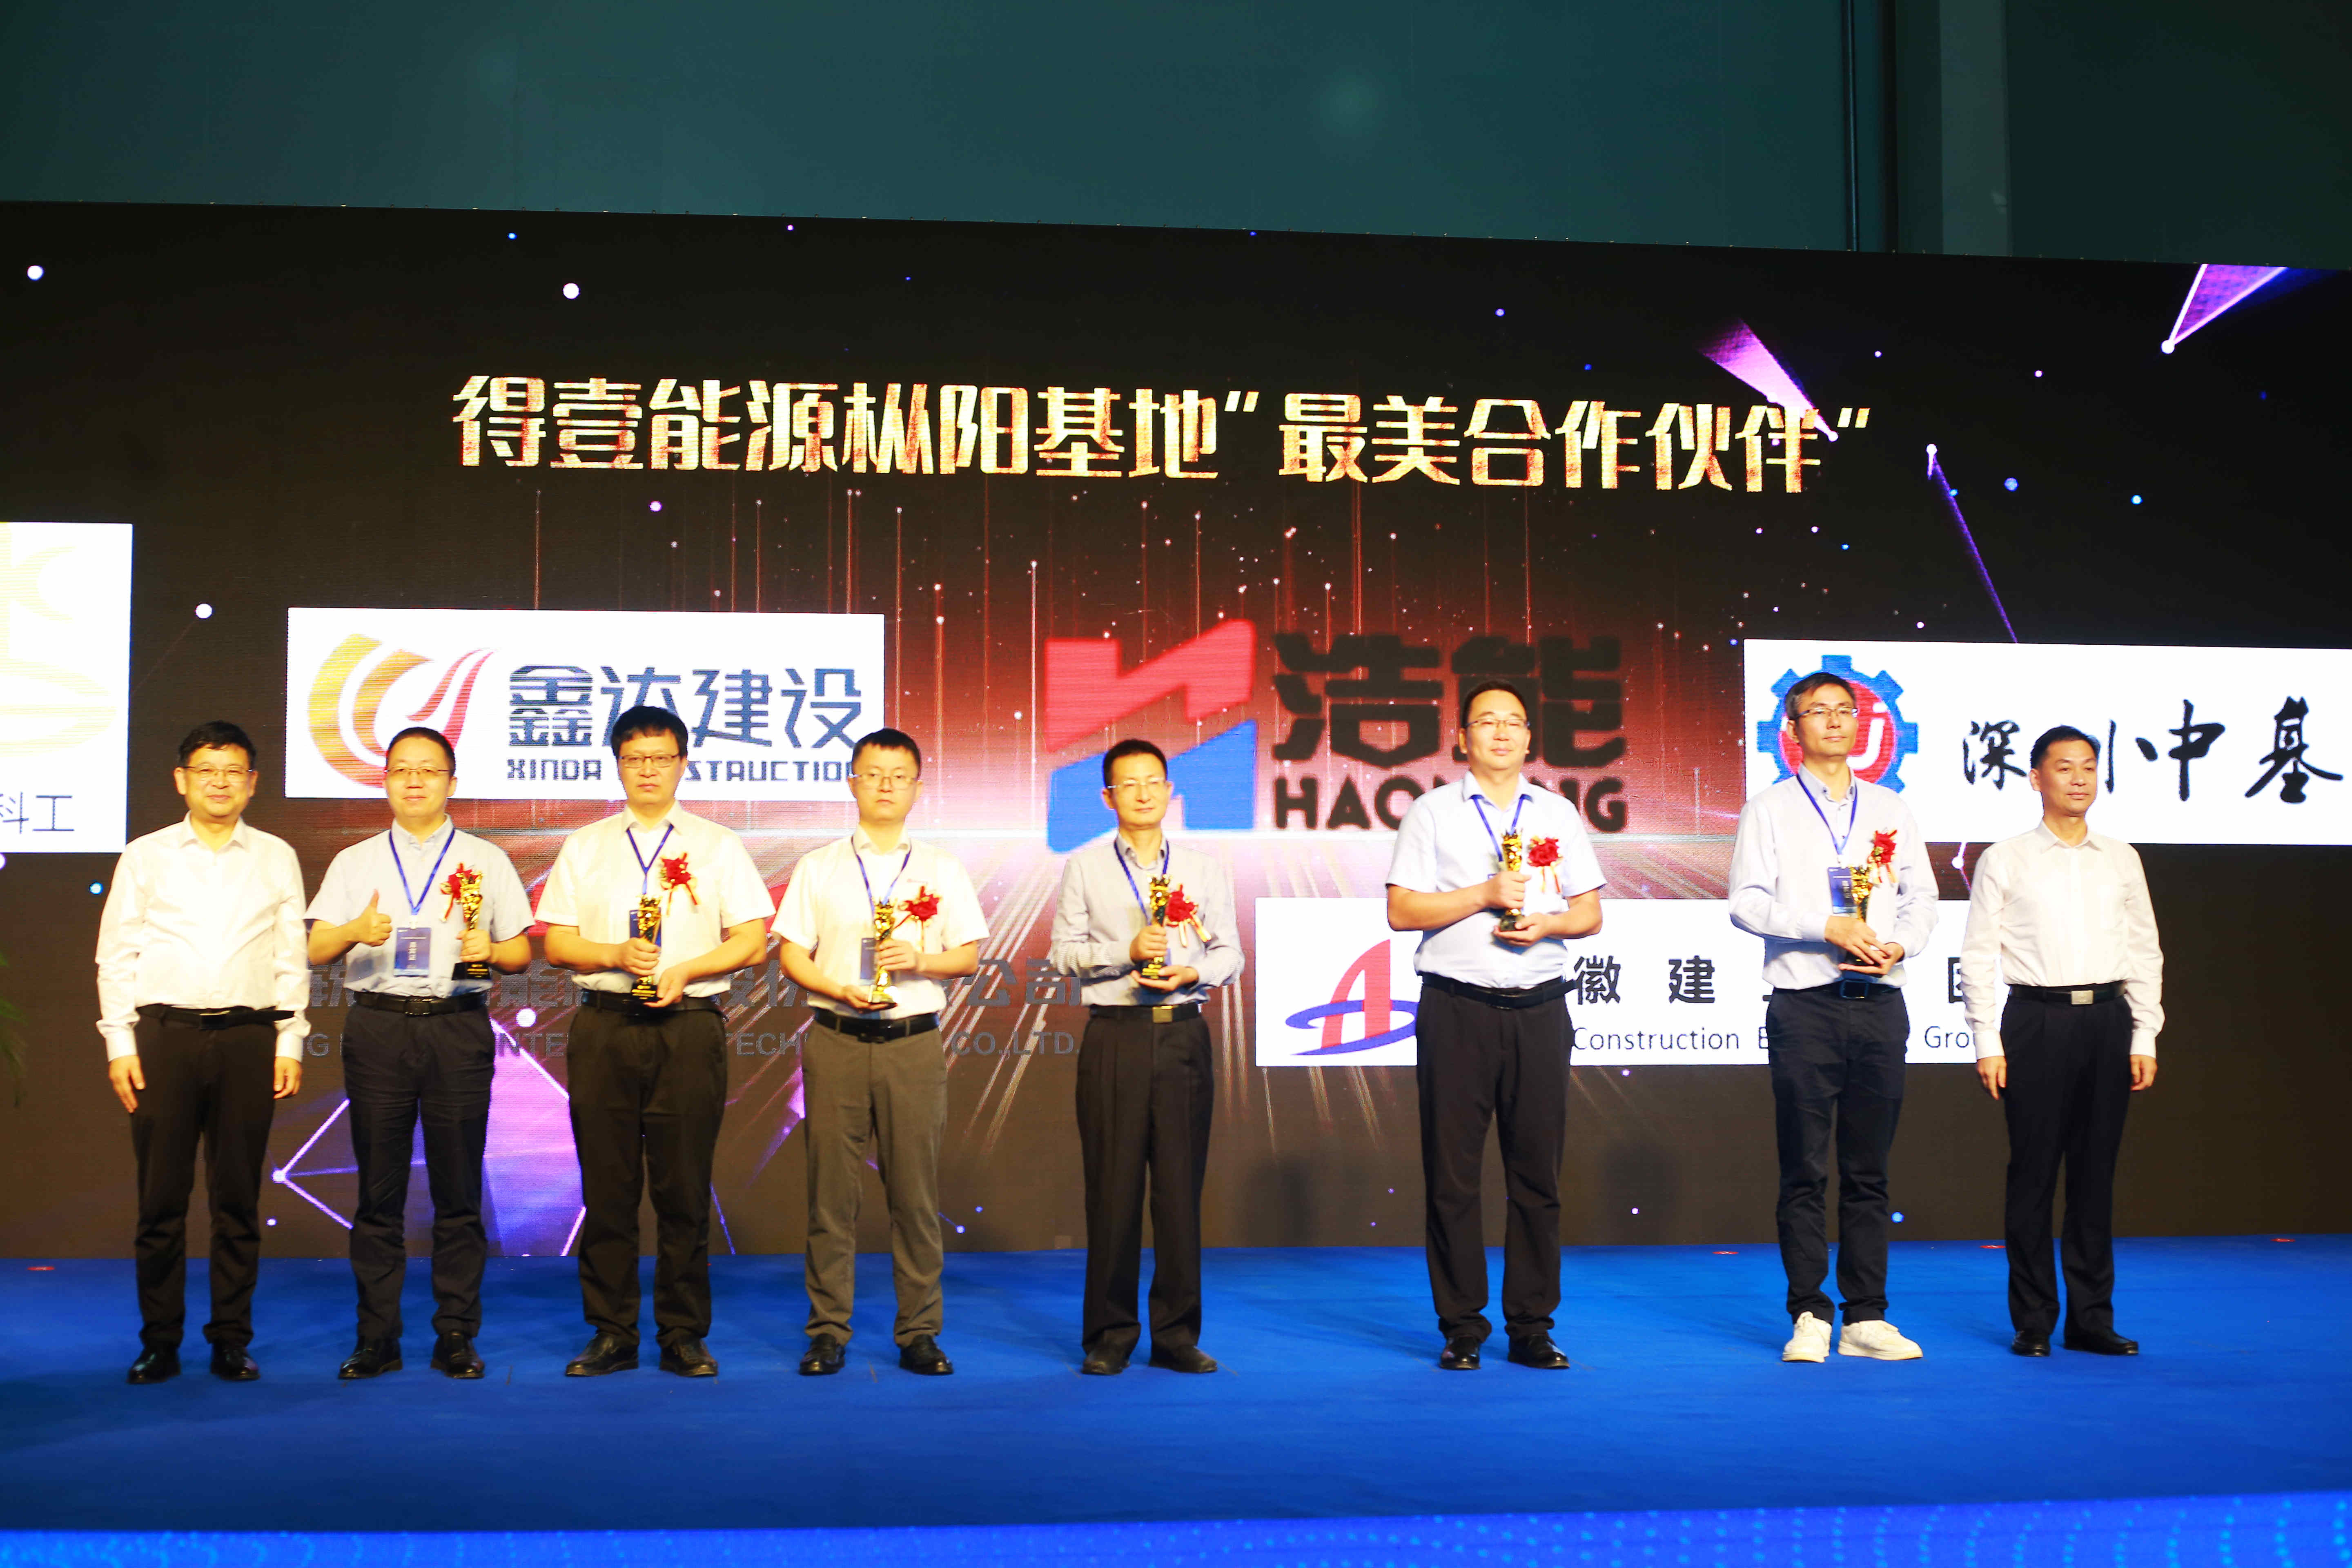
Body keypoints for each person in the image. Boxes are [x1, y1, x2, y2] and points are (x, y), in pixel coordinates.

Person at [536, 706, 774, 1378]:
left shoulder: (717, 845)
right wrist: (614, 953)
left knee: (684, 1188)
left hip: (687, 1027)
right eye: (635, 759)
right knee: (607, 1188)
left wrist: (686, 969)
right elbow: (557, 943)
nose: (648, 770)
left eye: (661, 758)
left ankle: (683, 1333)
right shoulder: (586, 845)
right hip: (605, 1026)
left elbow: (752, 940)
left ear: (682, 764)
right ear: (618, 766)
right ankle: (612, 1331)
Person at [1385, 679, 1604, 1371]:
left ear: (1530, 737)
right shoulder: (1431, 813)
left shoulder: (1558, 813)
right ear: (1462, 739)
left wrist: (1548, 924)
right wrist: (1484, 894)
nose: (1502, 733)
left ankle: (1532, 1326)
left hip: (1539, 1008)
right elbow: (1402, 911)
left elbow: (1590, 913)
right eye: (1487, 722)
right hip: (1458, 1010)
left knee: (1537, 1177)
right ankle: (1462, 1327)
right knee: (1453, 1178)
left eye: (1514, 722)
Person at [305, 725, 533, 1380]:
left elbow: (521, 952)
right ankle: (377, 1337)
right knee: (378, 1192)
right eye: (402, 769)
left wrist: (491, 949)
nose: (414, 780)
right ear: (385, 783)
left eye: (428, 770)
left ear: (451, 783)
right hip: (380, 1028)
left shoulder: (486, 859)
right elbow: (316, 949)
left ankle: (456, 1334)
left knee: (458, 1190)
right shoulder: (355, 861)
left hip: (457, 1028)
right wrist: (355, 930)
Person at [1729, 671, 1938, 1363]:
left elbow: (1922, 899)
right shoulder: (1769, 809)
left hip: (1880, 1002)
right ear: (1792, 730)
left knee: (1869, 1170)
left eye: (1845, 710)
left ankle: (1866, 1317)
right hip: (1806, 1006)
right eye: (1817, 711)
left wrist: (1899, 945)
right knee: (1805, 1169)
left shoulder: (1890, 807)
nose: (1835, 721)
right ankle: (1810, 1314)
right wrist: (1827, 927)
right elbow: (1746, 903)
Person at [96, 721, 308, 1384]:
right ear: (182, 780)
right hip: (166, 1038)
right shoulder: (146, 856)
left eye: (233, 771)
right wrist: (120, 1042)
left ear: (252, 783)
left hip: (249, 1038)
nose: (220, 783)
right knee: (161, 1199)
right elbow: (116, 955)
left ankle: (230, 1340)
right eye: (206, 770)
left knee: (237, 1199)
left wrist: (291, 1040)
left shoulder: (276, 856)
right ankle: (159, 1341)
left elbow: (291, 957)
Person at [776, 728, 984, 1377]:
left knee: (915, 1198)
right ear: (853, 783)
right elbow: (791, 952)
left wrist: (920, 960)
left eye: (899, 775)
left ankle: (919, 1332)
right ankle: (827, 1331)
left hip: (911, 1045)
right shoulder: (820, 866)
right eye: (873, 774)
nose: (886, 786)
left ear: (918, 788)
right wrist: (833, 986)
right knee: (830, 1198)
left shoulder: (942, 868)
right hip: (836, 1039)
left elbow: (968, 956)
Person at [1960, 725, 2162, 1357]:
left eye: (2089, 767)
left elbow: (2144, 950)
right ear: (2036, 778)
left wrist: (2145, 1033)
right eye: (2065, 767)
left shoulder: (2121, 857)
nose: (2079, 778)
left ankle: (2091, 1319)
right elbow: (1978, 954)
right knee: (2034, 1174)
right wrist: (1986, 1039)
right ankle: (2034, 1320)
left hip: (2108, 1019)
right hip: (2036, 1020)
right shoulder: (2006, 858)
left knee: (2095, 1175)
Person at [1048, 738, 1243, 1376]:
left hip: (1182, 1033)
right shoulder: (1084, 867)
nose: (1142, 793)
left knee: (1180, 1191)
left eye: (1153, 781)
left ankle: (1177, 1335)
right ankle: (1110, 1334)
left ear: (1170, 792)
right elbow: (1063, 953)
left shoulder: (1203, 868)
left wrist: (1192, 972)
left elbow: (1230, 953)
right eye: (1128, 784)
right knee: (1113, 1189)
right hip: (1117, 1035)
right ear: (1108, 797)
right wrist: (1124, 952)